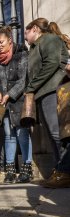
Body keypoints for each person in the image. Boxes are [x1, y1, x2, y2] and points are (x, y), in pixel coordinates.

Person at [24, 18, 70, 187]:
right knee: (52, 135)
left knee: (59, 134)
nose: (25, 37)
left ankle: (65, 172)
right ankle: (60, 171)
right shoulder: (35, 47)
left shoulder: (49, 39)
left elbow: (52, 64)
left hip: (54, 90)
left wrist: (31, 87)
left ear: (35, 29)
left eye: (26, 33)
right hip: (43, 93)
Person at [0, 26, 33, 183]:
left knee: (23, 134)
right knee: (9, 135)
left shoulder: (21, 53)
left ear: (9, 40)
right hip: (4, 104)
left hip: (19, 101)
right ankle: (10, 171)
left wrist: (9, 94)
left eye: (1, 42)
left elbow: (23, 80)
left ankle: (27, 169)